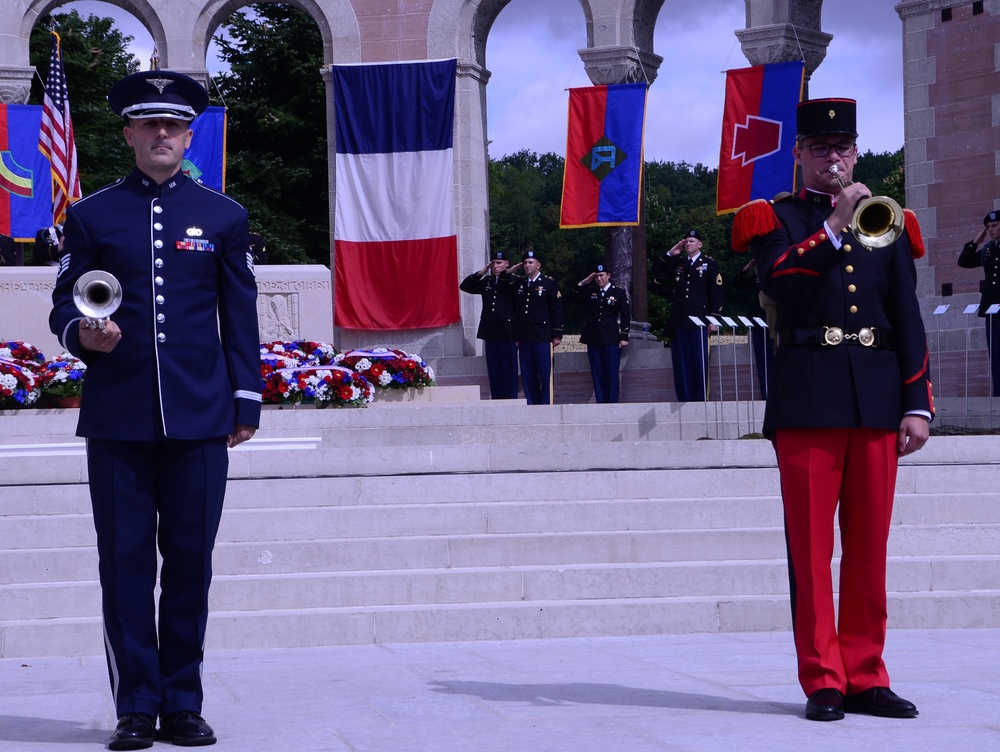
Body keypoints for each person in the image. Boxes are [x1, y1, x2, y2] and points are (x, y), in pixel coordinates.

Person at [49, 70, 262, 750]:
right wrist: (81, 334)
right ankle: (136, 708)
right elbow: (65, 302)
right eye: (149, 124)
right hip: (118, 417)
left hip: (201, 417)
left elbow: (240, 315)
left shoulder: (225, 216)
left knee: (191, 564)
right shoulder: (90, 215)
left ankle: (183, 704)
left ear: (188, 135)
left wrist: (246, 396)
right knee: (126, 564)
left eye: (173, 125)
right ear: (129, 134)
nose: (162, 133)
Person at [733, 97, 933, 723]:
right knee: (812, 547)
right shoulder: (774, 219)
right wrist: (834, 228)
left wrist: (917, 404)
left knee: (869, 546)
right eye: (821, 149)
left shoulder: (890, 224)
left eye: (843, 148)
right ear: (798, 155)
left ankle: (867, 674)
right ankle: (823, 678)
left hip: (875, 400)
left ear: (856, 152)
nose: (834, 159)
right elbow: (784, 291)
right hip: (808, 399)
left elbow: (907, 318)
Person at [649, 228, 723, 401]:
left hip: (700, 319)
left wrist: (714, 318)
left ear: (700, 244)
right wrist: (670, 254)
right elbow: (655, 274)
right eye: (686, 241)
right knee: (681, 362)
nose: (688, 244)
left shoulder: (709, 264)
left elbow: (716, 292)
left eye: (692, 241)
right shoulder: (678, 263)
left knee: (700, 361)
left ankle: (701, 397)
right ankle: (685, 397)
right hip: (679, 319)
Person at [459, 250, 518, 399]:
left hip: (508, 332)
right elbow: (465, 286)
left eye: (499, 263)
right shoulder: (487, 281)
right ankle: (497, 399)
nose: (495, 266)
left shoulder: (514, 281)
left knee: (509, 369)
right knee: (494, 369)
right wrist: (481, 273)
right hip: (491, 331)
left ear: (507, 264)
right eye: (493, 263)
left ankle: (510, 399)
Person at [571, 262, 630, 403]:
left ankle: (612, 403)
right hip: (593, 337)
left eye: (602, 275)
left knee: (611, 373)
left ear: (608, 275)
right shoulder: (591, 291)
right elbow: (573, 298)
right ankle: (601, 403)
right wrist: (583, 282)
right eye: (597, 276)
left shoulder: (618, 292)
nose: (599, 279)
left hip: (610, 338)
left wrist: (624, 336)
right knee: (597, 373)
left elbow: (625, 315)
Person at [509, 250, 563, 404]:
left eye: (530, 262)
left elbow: (557, 309)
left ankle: (546, 406)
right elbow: (517, 311)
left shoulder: (548, 283)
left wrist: (557, 333)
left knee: (545, 374)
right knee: (528, 374)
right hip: (525, 337)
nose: (527, 265)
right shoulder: (520, 284)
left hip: (542, 336)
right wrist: (517, 336)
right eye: (525, 262)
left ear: (539, 265)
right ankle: (532, 406)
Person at [957, 210, 1000, 396]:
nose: (990, 230)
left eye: (994, 226)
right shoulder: (989, 249)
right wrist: (976, 241)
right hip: (992, 309)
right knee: (996, 354)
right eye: (988, 227)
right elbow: (964, 261)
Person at [732, 257, 774, 400]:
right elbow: (737, 283)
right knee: (763, 365)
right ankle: (766, 396)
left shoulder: (778, 275)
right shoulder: (757, 279)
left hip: (776, 325)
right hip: (759, 325)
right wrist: (747, 267)